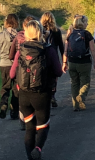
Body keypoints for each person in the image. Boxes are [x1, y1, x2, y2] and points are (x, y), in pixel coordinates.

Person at [10, 20, 63, 160]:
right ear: (41, 32)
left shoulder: (21, 49)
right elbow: (58, 71)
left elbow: (11, 74)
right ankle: (38, 148)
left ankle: (30, 157)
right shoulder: (48, 49)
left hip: (24, 95)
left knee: (29, 127)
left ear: (26, 32)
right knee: (43, 125)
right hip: (42, 93)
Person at [62, 15, 95, 111]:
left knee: (74, 83)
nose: (87, 24)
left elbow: (65, 51)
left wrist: (64, 63)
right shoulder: (87, 34)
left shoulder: (70, 34)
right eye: (86, 22)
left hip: (72, 62)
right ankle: (81, 96)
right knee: (85, 83)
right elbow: (93, 50)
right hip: (84, 62)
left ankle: (75, 106)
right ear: (83, 23)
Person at [9, 15, 34, 129]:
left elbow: (11, 54)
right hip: (35, 71)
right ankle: (33, 119)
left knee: (21, 96)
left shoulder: (18, 36)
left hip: (20, 69)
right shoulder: (40, 40)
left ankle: (22, 120)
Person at [40, 12, 64, 108]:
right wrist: (64, 61)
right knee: (54, 77)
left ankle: (45, 96)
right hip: (54, 56)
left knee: (44, 76)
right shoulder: (56, 31)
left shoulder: (40, 30)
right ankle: (53, 95)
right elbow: (61, 47)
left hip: (42, 56)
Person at [0, 14, 19, 119]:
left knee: (5, 87)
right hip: (16, 65)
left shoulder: (1, 35)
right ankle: (14, 110)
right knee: (16, 88)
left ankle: (3, 103)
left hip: (4, 64)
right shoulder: (19, 35)